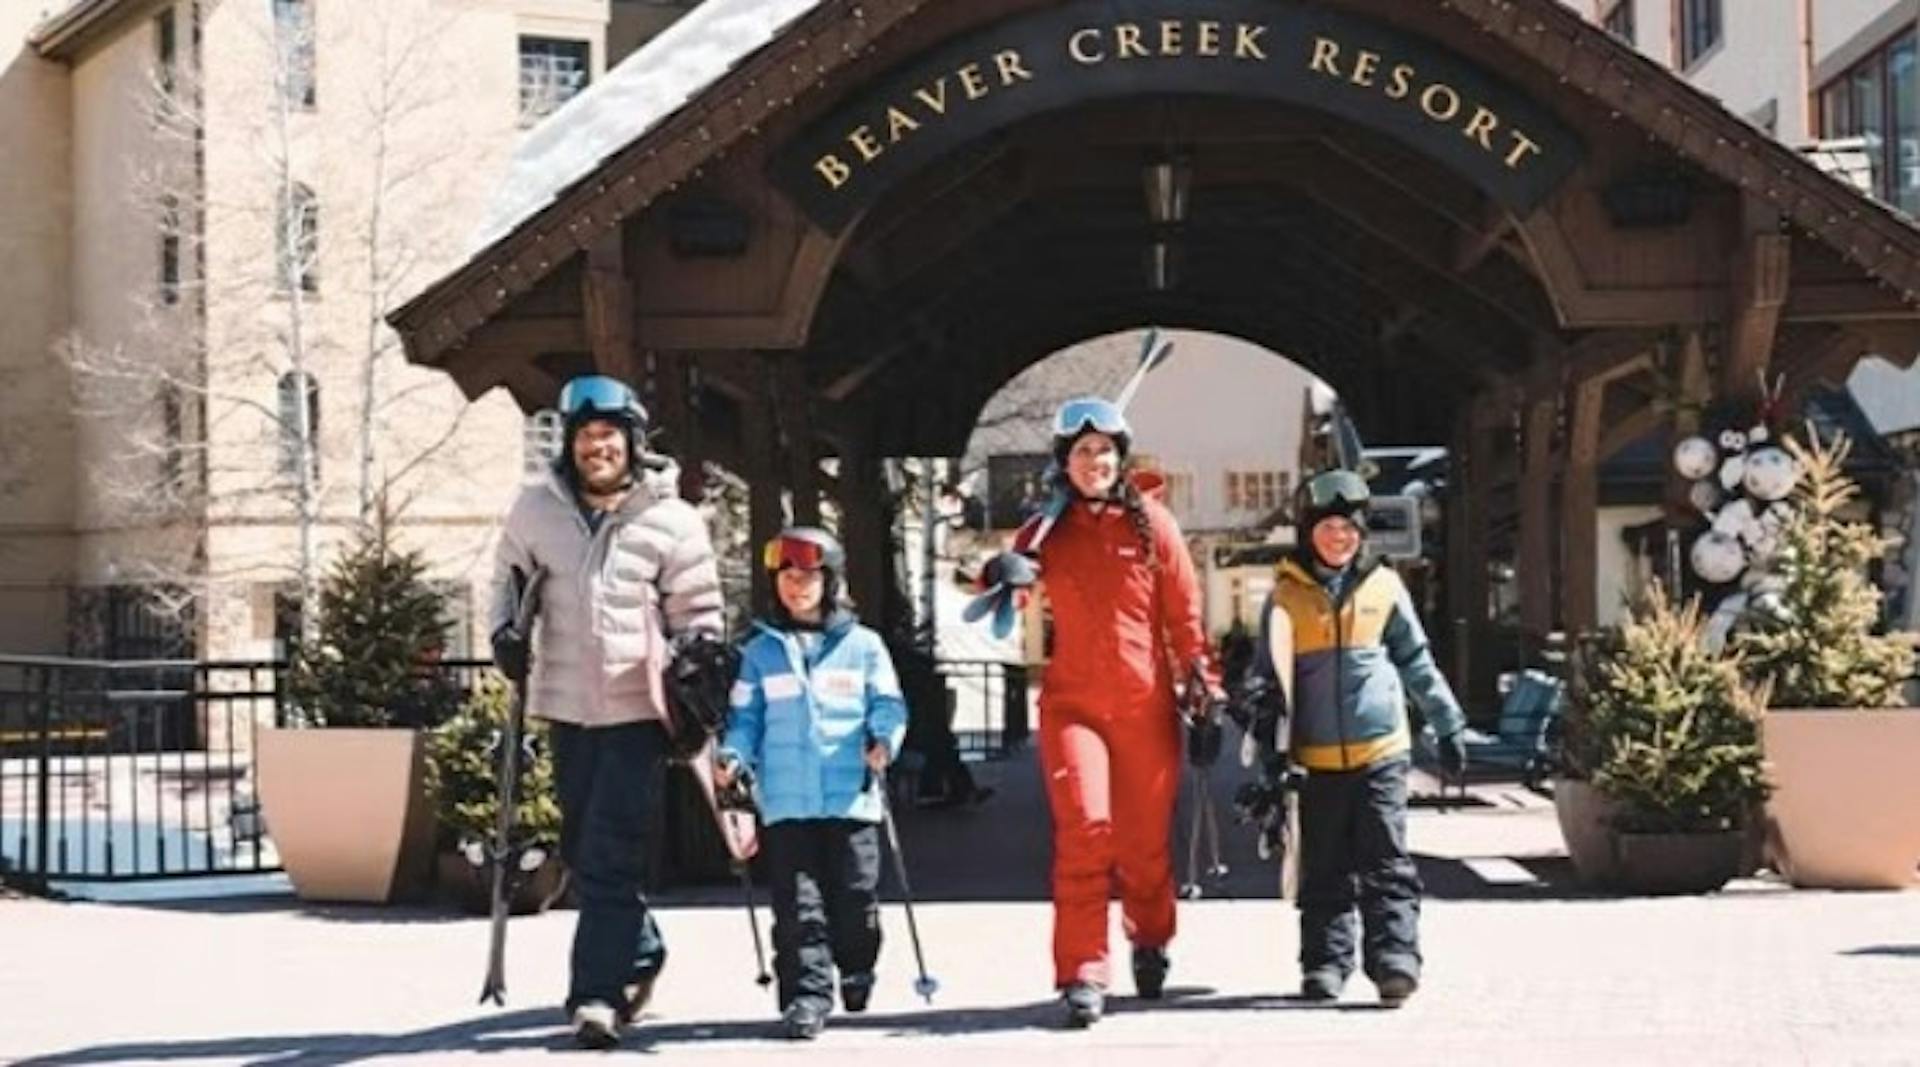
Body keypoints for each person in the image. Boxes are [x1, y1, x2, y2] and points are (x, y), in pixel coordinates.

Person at [488, 374, 724, 1049]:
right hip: (565, 704)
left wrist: (696, 666)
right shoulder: (535, 510)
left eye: (609, 436)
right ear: (569, 443)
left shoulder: (669, 517)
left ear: (633, 441)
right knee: (581, 849)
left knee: (610, 848)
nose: (598, 447)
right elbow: (505, 583)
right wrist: (505, 637)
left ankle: (594, 994)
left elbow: (698, 612)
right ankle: (641, 950)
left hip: (635, 709)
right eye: (586, 436)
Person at [1009, 396, 1220, 1027]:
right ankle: (1082, 972)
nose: (1094, 461)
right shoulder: (1046, 528)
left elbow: (1184, 619)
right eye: (1081, 451)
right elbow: (998, 594)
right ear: (1064, 461)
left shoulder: (1153, 525)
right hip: (1073, 705)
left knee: (1143, 845)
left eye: (1103, 451)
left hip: (1144, 704)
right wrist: (1002, 571)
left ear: (1120, 458)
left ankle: (1149, 935)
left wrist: (1203, 687)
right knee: (1085, 834)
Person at [1252, 468, 1467, 1007]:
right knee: (1322, 865)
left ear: (1361, 532)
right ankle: (1325, 963)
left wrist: (1448, 722)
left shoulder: (1384, 586)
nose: (1339, 537)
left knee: (1386, 859)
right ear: (1309, 532)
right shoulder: (1284, 596)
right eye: (1327, 527)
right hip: (1316, 757)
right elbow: (1264, 678)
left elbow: (1416, 660)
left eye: (1348, 528)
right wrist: (1266, 741)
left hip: (1381, 751)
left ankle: (1395, 959)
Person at [715, 526, 908, 1040]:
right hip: (786, 801)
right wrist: (733, 754)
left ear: (831, 580)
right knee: (797, 906)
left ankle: (858, 965)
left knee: (854, 897)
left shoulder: (864, 647)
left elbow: (888, 704)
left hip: (851, 799)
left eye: (807, 575)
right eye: (786, 576)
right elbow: (745, 718)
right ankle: (805, 995)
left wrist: (883, 739)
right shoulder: (760, 653)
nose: (796, 586)